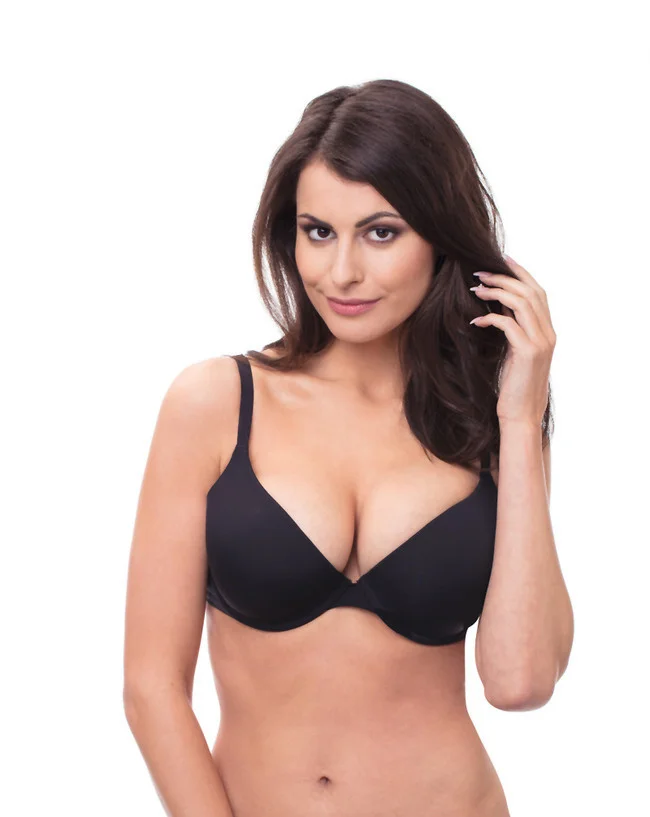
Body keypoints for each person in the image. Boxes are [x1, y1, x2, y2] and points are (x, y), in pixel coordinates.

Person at [123, 79, 574, 817]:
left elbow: (520, 681)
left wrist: (522, 422)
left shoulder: (489, 425)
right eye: (319, 231)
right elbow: (151, 689)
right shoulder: (215, 404)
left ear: (440, 236)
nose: (342, 273)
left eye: (381, 232)